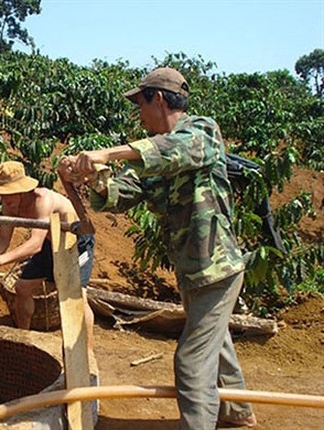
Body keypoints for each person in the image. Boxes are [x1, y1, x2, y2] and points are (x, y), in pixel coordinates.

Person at [58, 68, 257, 429]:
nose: (139, 113)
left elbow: (171, 152)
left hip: (217, 270)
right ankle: (239, 412)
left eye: (141, 104)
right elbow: (124, 193)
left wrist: (106, 153)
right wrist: (89, 178)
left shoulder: (201, 131)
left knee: (192, 362)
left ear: (159, 99)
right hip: (194, 271)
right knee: (215, 341)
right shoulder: (151, 155)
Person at [0, 160, 96, 350]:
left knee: (76, 297)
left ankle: (88, 352)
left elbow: (35, 244)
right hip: (50, 245)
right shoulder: (9, 206)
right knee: (23, 288)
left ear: (21, 189)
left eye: (8, 194)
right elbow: (3, 239)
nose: (4, 199)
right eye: (0, 194)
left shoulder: (42, 200)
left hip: (77, 243)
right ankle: (23, 339)